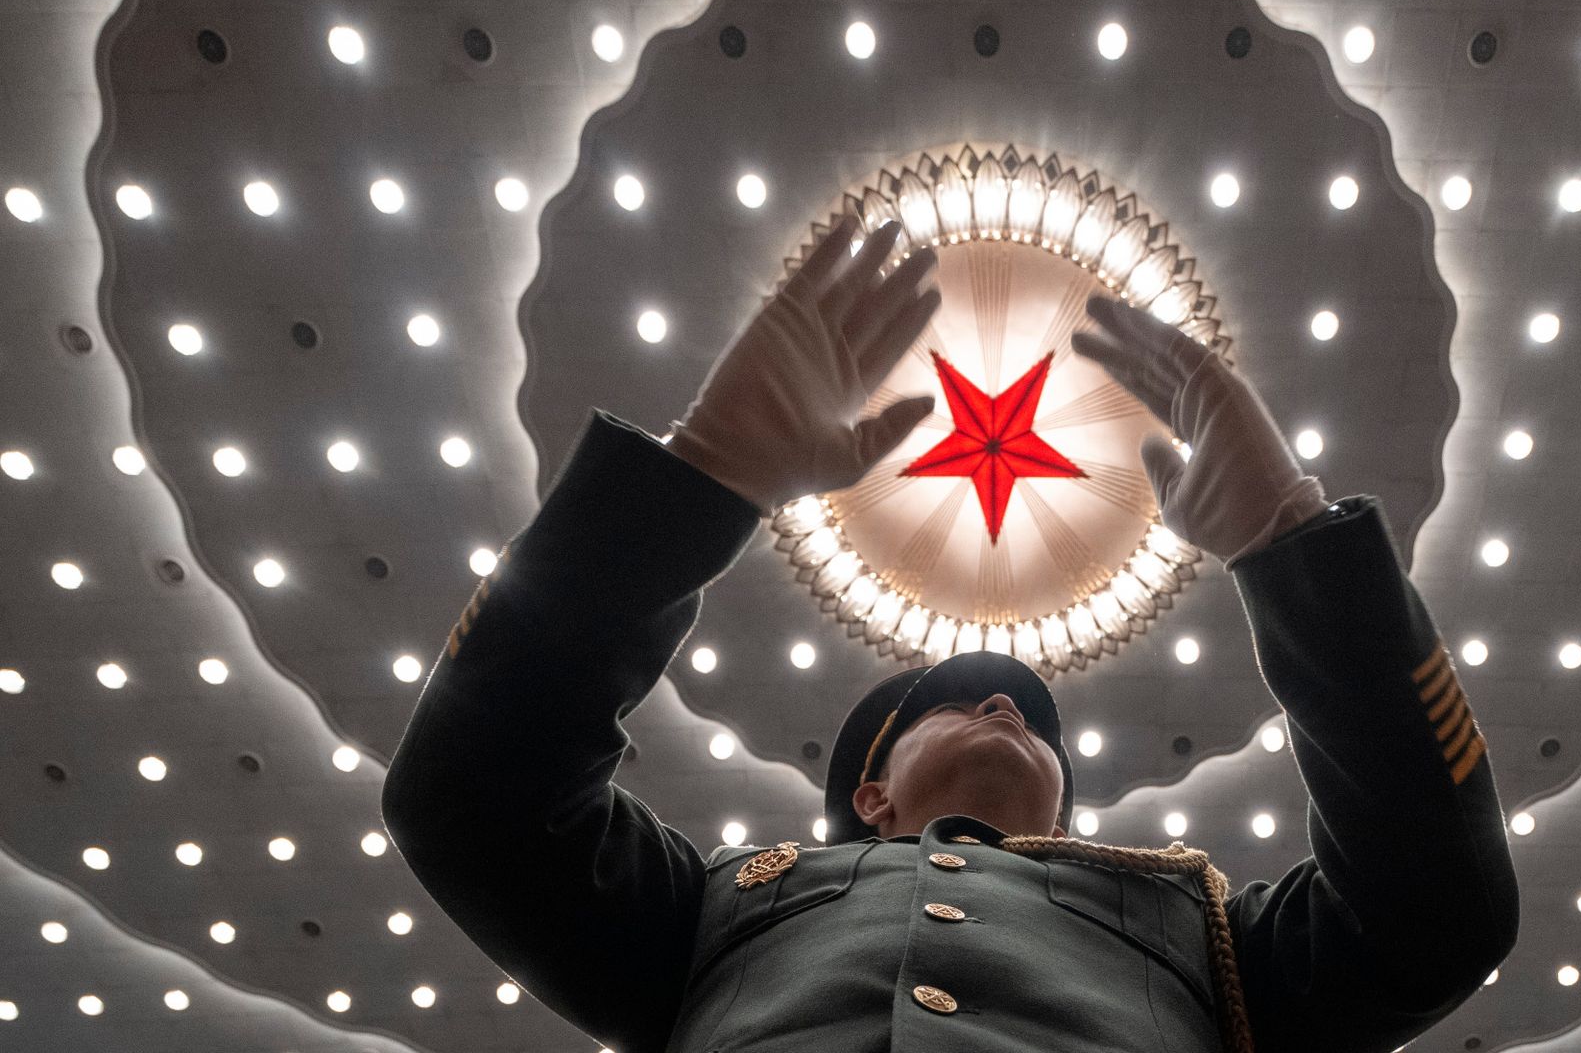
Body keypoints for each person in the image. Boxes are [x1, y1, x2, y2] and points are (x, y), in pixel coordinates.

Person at [382, 214, 1520, 1053]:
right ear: (870, 796)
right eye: (956, 702)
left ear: (1071, 814)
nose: (1007, 704)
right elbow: (471, 798)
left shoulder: (1203, 924)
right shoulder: (716, 903)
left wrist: (1296, 545)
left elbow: (1436, 916)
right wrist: (696, 479)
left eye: (1018, 711)